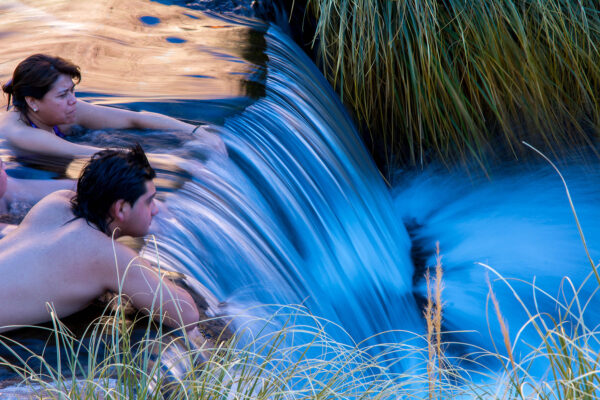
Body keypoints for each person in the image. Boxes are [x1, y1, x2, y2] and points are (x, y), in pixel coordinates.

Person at [0, 145, 199, 333]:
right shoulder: (107, 256)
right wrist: (142, 266)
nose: (155, 209)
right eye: (148, 201)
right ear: (120, 208)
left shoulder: (55, 203)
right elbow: (186, 316)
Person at [0, 54, 226, 158]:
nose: (72, 100)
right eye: (62, 95)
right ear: (32, 102)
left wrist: (195, 132)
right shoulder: (19, 132)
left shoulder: (67, 109)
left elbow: (134, 119)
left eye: (72, 91)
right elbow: (90, 154)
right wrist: (176, 160)